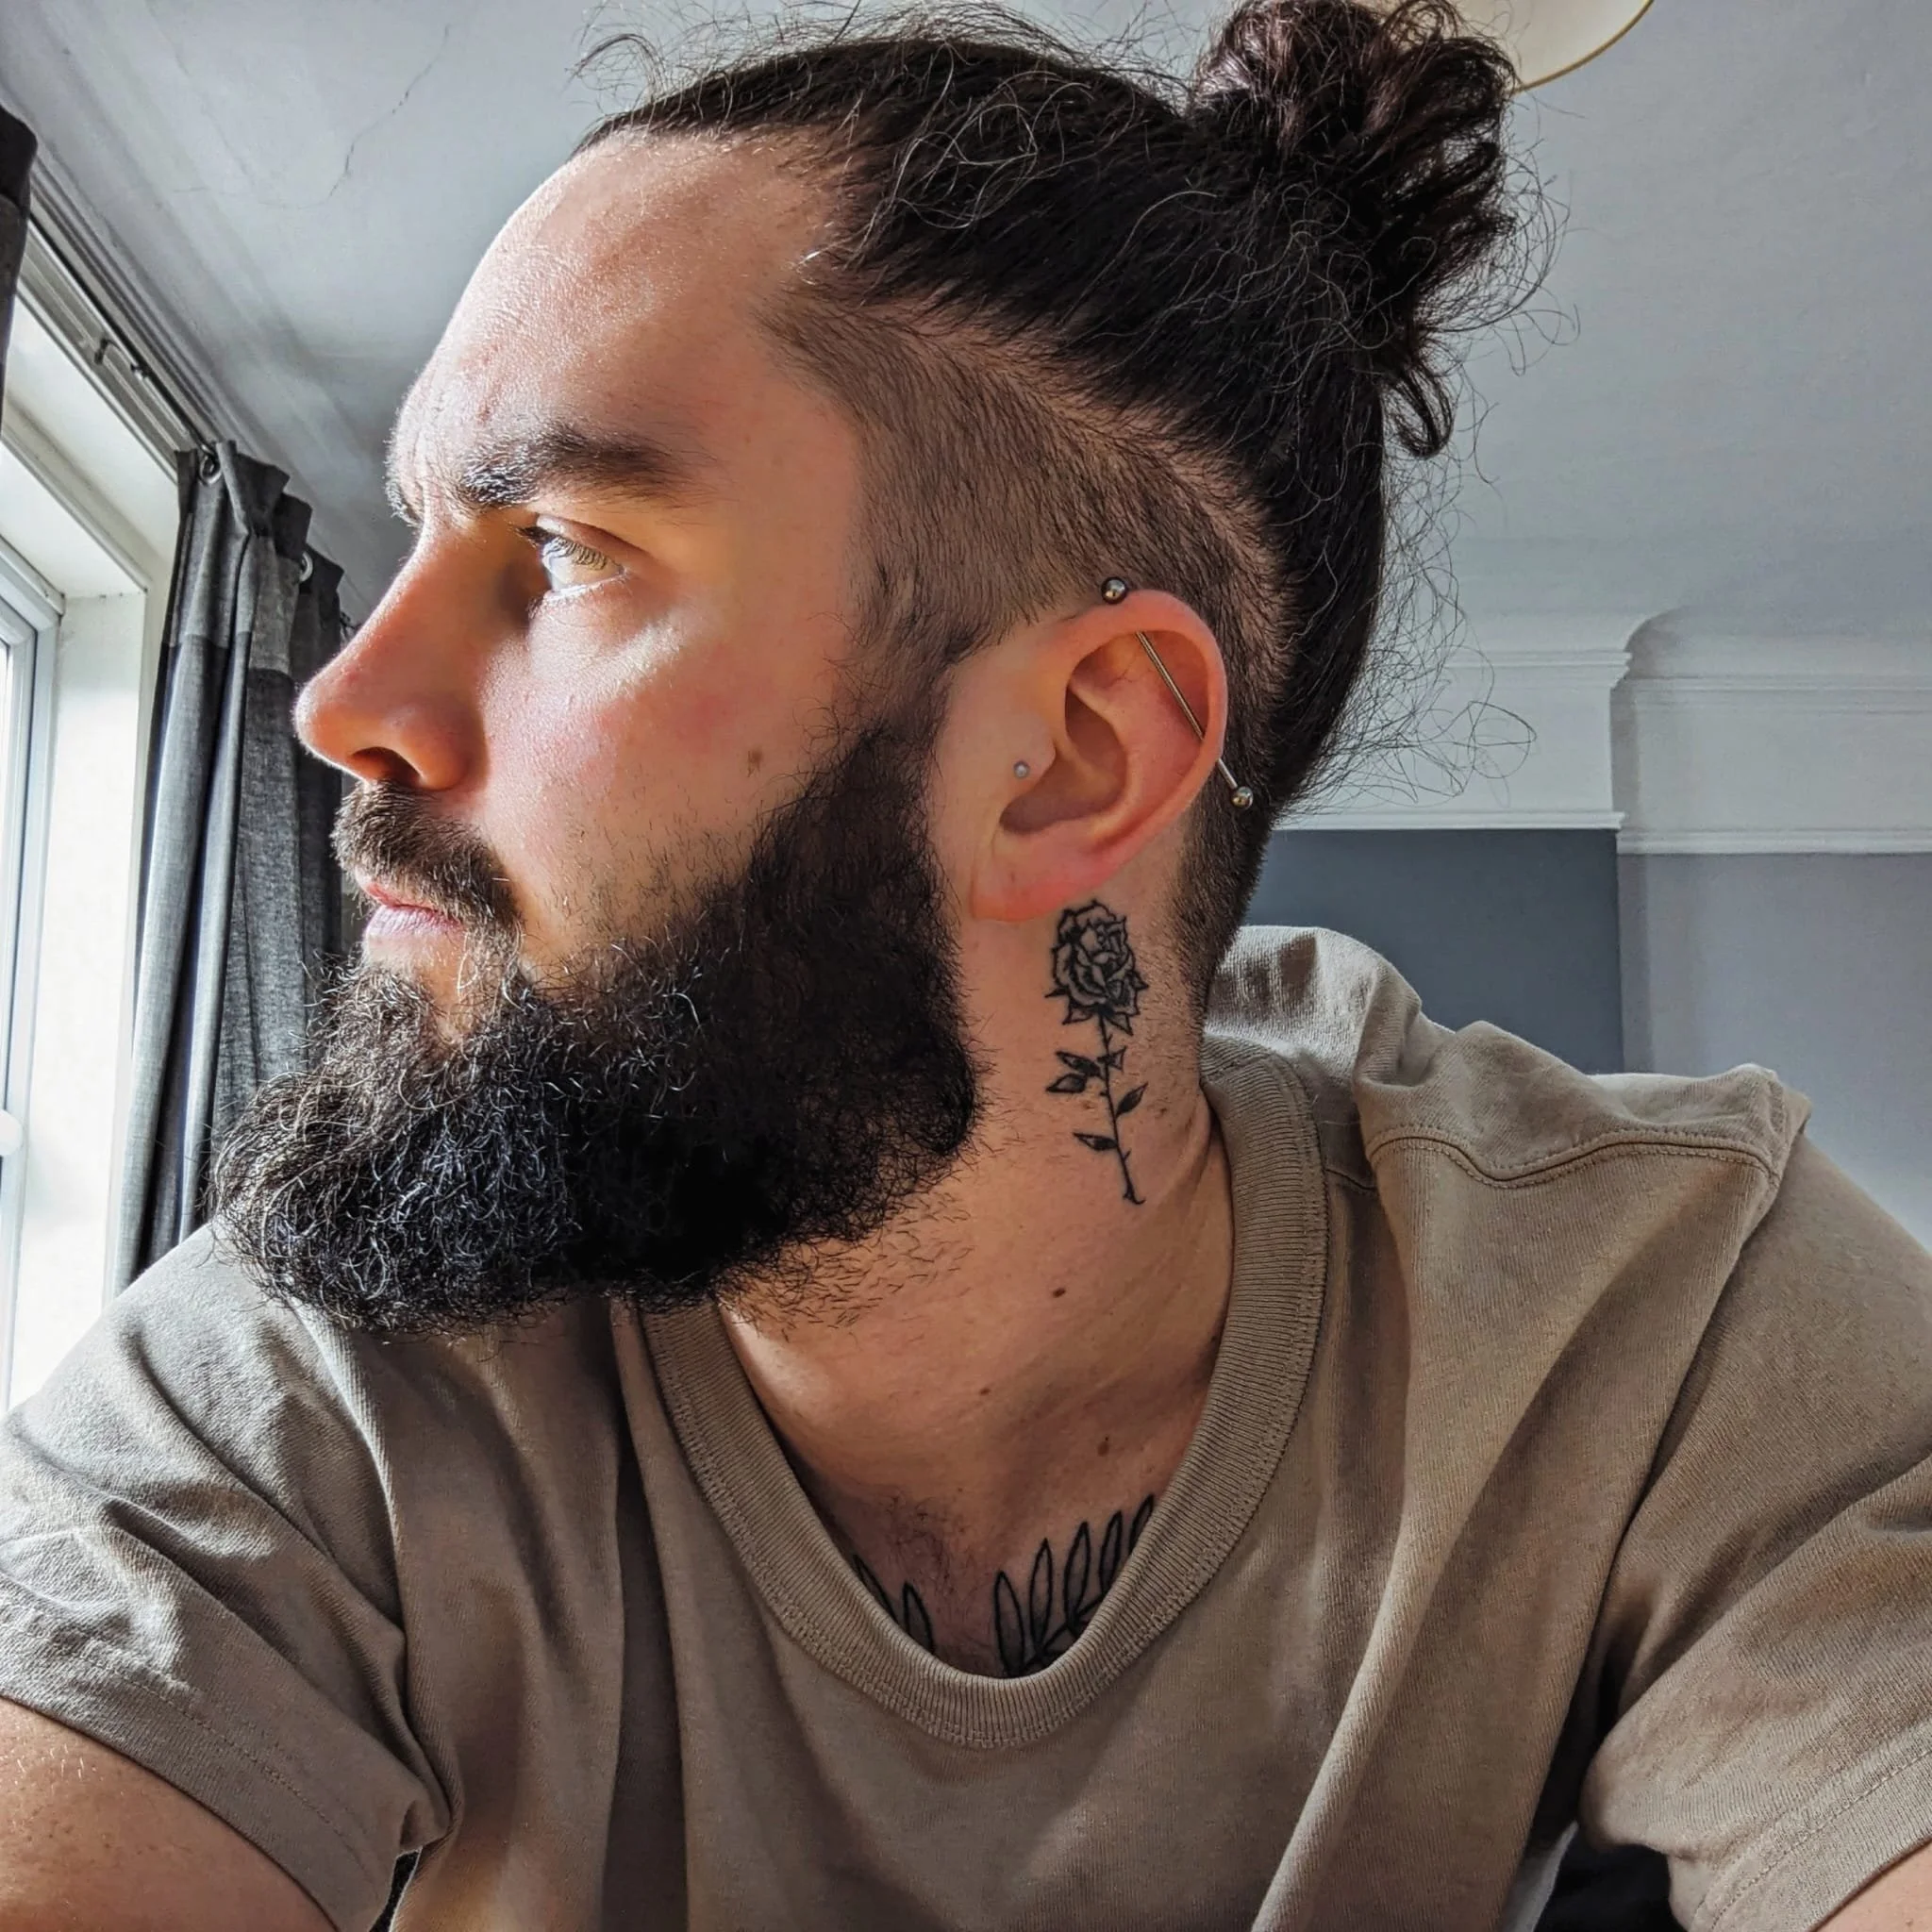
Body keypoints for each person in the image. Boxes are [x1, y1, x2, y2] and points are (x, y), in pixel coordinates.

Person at [2, 2, 1930, 1926]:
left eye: (564, 549)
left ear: (1075, 755)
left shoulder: (1661, 1321)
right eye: (421, 533)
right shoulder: (328, 1362)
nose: (343, 705)